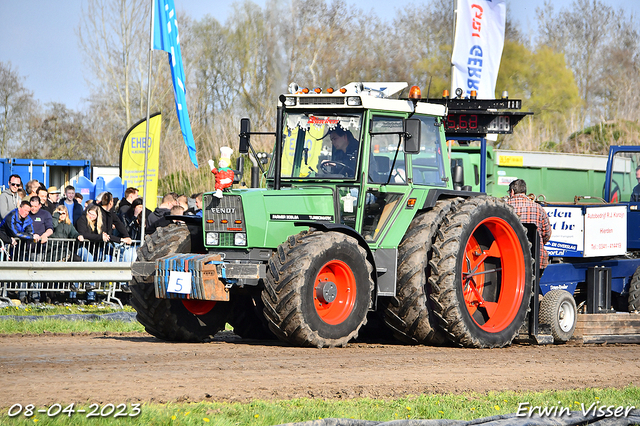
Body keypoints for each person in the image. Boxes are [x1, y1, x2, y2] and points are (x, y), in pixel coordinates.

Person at [507, 179, 552, 270]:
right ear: (525, 191)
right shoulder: (538, 208)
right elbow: (546, 233)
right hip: (536, 259)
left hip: (510, 259)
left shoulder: (504, 207)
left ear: (512, 192)